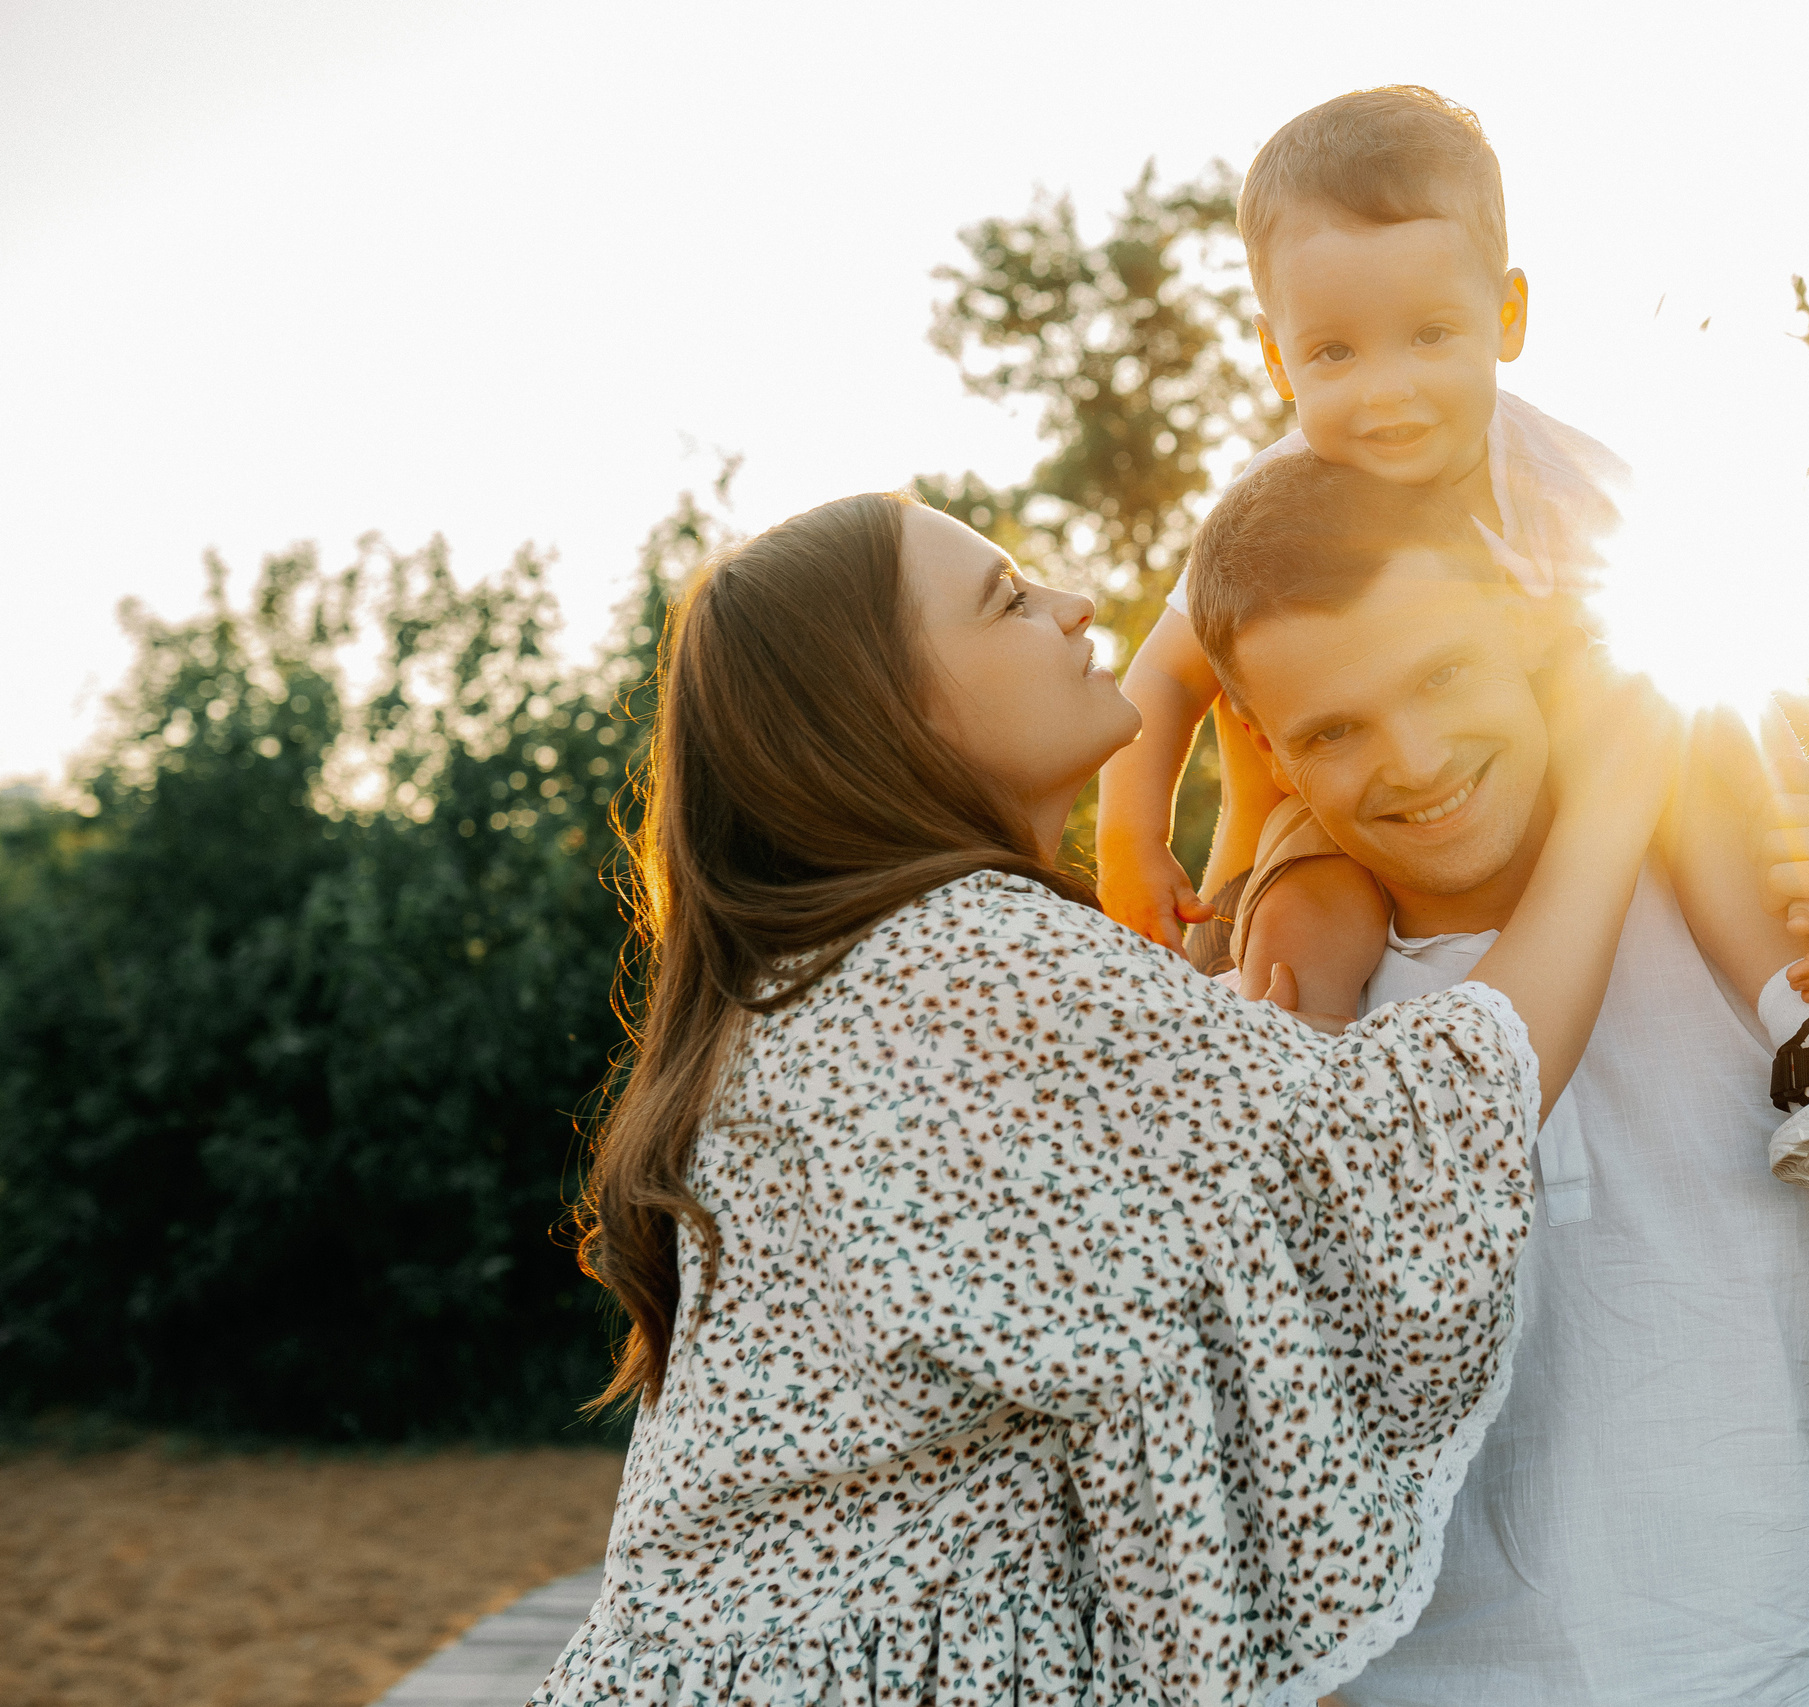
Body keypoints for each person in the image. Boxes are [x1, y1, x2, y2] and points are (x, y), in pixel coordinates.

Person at [538, 492, 1685, 1707]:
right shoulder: (967, 961)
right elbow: (1412, 1135)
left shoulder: (855, 972)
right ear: (889, 711)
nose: (1073, 603)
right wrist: (1613, 806)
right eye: (1006, 600)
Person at [1184, 454, 1809, 1704]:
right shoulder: (1265, 1010)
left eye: (1440, 673)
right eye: (1333, 729)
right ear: (1262, 746)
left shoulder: (1758, 924)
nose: (1412, 760)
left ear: (1516, 619)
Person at [1096, 85, 1809, 1185]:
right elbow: (1161, 679)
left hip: (1528, 799)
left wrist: (1797, 849)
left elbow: (1705, 671)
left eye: (1430, 336)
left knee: (1677, 769)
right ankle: (1282, 1118)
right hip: (1332, 813)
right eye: (1335, 355)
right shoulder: (1270, 504)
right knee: (1311, 916)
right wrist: (1131, 839)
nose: (1387, 392)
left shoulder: (1569, 482)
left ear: (1507, 315)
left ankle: (1805, 1028)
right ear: (1275, 359)